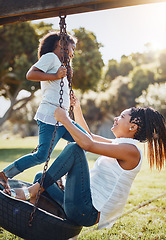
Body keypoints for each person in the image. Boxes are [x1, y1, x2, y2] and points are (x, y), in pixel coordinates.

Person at [3, 96, 166, 229]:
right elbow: (89, 136)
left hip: (88, 211)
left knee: (75, 149)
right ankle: (44, 212)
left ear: (132, 127)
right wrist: (77, 108)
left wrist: (65, 119)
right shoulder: (121, 145)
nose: (116, 118)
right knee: (41, 175)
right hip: (81, 205)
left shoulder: (131, 151)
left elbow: (86, 144)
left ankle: (32, 192)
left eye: (121, 117)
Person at [0, 32, 87, 190]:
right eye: (72, 48)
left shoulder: (61, 65)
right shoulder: (51, 57)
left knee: (85, 142)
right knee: (41, 156)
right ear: (61, 45)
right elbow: (30, 74)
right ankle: (4, 174)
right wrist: (55, 75)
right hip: (49, 117)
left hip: (62, 118)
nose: (73, 52)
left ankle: (61, 176)